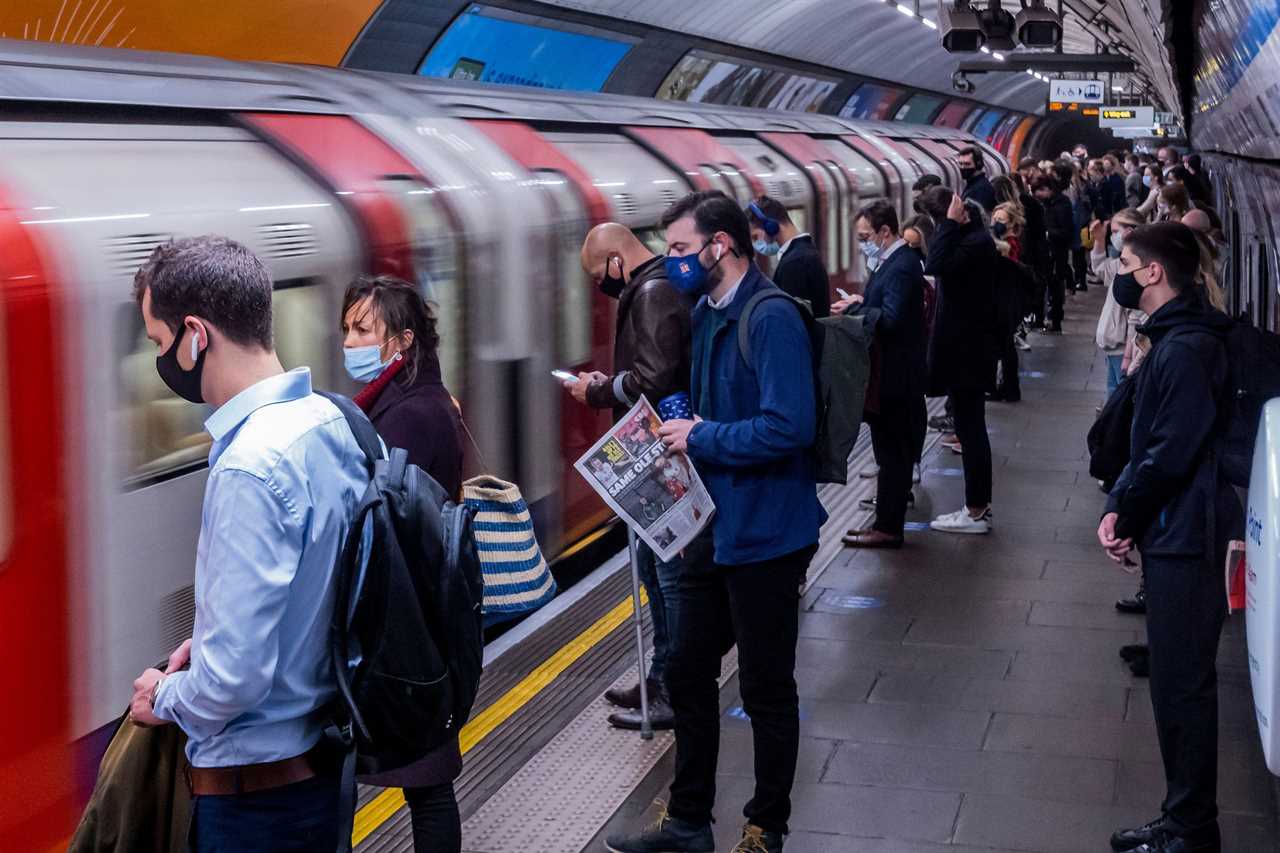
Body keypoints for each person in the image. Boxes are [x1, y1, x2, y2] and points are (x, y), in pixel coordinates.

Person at [125, 236, 369, 853]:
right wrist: (209, 639)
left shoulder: (249, 467)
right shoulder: (330, 422)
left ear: (196, 334)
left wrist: (166, 695)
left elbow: (233, 682)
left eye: (159, 343)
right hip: (320, 766)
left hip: (256, 802)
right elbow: (315, 600)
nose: (161, 361)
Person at [607, 190, 822, 853]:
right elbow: (696, 406)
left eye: (677, 250)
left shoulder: (770, 317)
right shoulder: (705, 313)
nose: (670, 263)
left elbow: (791, 424)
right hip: (709, 528)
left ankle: (766, 825)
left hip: (766, 533)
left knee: (764, 687)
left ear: (718, 245)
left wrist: (700, 436)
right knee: (689, 669)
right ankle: (687, 822)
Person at [1099, 222, 1238, 853]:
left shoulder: (1183, 350)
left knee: (1183, 685)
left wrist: (1124, 515)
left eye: (1126, 262)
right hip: (1178, 525)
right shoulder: (1183, 338)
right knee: (1177, 682)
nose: (1121, 273)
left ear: (1153, 273)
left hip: (1188, 531)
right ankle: (1183, 817)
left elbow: (1167, 452)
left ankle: (1190, 828)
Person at [338, 274, 466, 853]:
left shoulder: (410, 416)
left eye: (364, 330)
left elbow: (384, 513)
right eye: (347, 328)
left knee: (427, 779)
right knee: (426, 777)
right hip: (419, 607)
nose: (350, 341)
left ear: (403, 341)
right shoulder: (411, 402)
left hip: (412, 617)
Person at [570, 222, 693, 731]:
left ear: (617, 257)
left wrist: (601, 391)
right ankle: (660, 677)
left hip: (662, 453)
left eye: (601, 273)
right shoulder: (656, 286)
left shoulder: (652, 292)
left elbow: (655, 376)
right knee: (653, 570)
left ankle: (674, 690)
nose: (603, 283)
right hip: (657, 447)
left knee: (666, 577)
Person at [838, 201, 927, 548]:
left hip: (895, 378)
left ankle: (889, 527)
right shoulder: (894, 262)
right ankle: (885, 521)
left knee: (893, 455)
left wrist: (856, 307)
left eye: (865, 236)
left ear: (885, 232)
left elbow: (891, 319)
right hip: (893, 375)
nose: (863, 243)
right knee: (890, 453)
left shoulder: (901, 266)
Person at [917, 187, 998, 534]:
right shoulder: (974, 237)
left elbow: (934, 265)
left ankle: (976, 510)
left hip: (969, 352)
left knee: (971, 430)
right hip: (970, 349)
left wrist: (947, 224)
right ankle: (977, 506)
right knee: (970, 428)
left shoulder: (973, 243)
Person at [1090, 209, 1147, 400]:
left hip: (1122, 347)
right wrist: (1099, 240)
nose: (1112, 236)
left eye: (1115, 231)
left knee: (1117, 397)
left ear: (1129, 232)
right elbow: (1101, 270)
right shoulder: (1124, 261)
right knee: (1113, 393)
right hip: (1115, 345)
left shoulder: (1137, 266)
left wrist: (1128, 357)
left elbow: (1135, 317)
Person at [745, 196, 830, 318]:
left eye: (755, 237)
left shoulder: (795, 263)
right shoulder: (804, 252)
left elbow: (792, 318)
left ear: (771, 227)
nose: (755, 244)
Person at [1034, 175, 1074, 332]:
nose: (1037, 194)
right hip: (1046, 251)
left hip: (1057, 252)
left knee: (1056, 285)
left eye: (1040, 191)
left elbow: (1066, 231)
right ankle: (1045, 318)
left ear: (1048, 189)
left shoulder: (1061, 204)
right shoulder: (1048, 203)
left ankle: (1055, 320)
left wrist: (1047, 233)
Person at [957, 145, 997, 213]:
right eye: (960, 164)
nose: (962, 167)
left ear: (978, 164)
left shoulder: (981, 188)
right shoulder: (973, 185)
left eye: (967, 164)